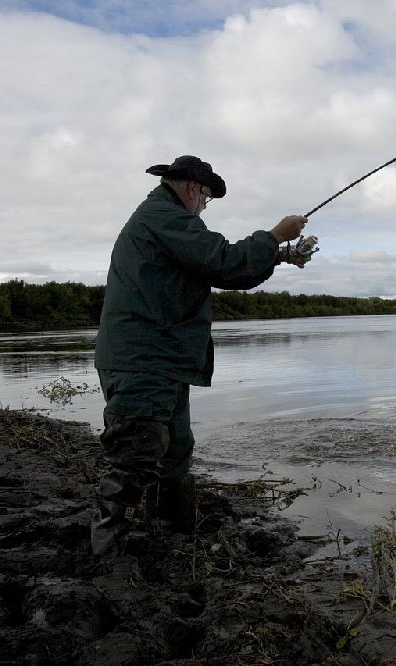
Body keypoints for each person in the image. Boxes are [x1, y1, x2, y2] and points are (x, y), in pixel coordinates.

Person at [91, 155, 311, 555]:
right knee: (137, 453)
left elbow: (219, 269)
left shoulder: (165, 220)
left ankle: (173, 537)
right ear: (193, 188)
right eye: (206, 198)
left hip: (162, 359)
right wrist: (275, 235)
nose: (204, 206)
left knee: (175, 449)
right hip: (142, 359)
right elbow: (223, 261)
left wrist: (278, 256)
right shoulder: (163, 217)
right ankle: (108, 556)